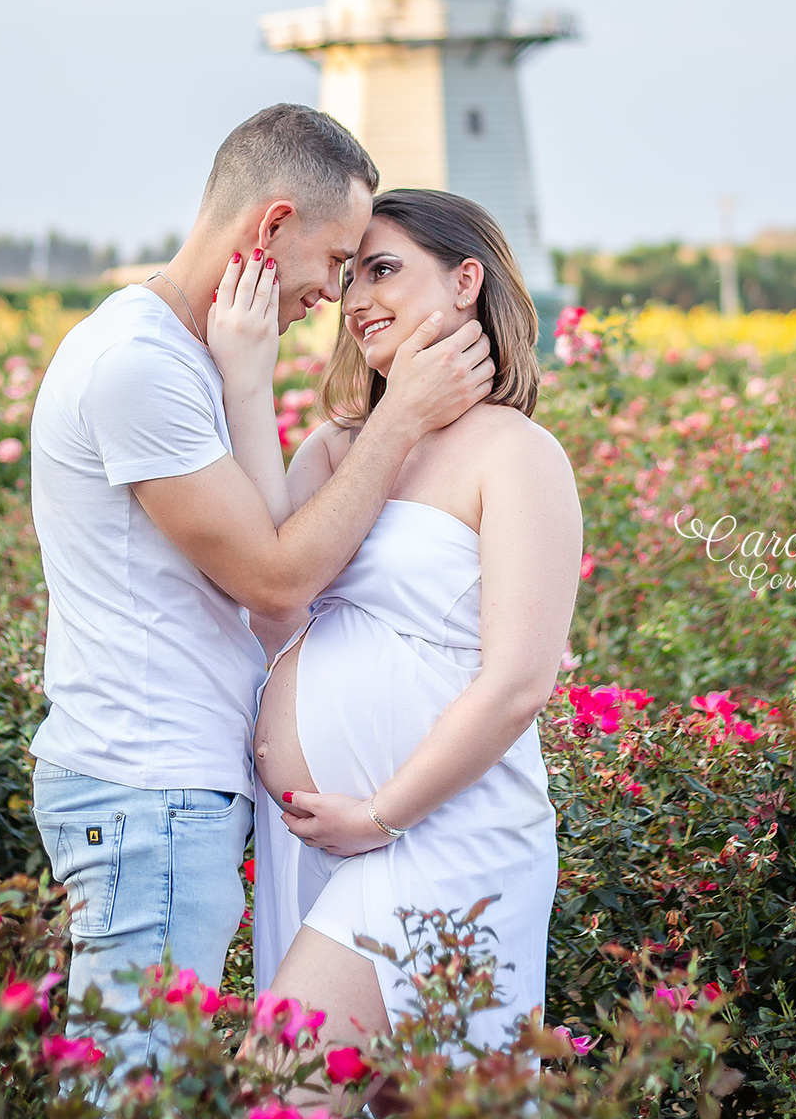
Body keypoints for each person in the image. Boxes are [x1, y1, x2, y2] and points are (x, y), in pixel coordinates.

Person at [28, 107, 494, 1074]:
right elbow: (275, 581)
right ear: (272, 225)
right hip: (148, 784)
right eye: (335, 261)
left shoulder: (182, 355)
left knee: (142, 1074)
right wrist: (401, 418)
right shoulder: (137, 368)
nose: (333, 296)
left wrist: (249, 379)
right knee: (138, 1084)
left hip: (168, 790)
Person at [207, 187, 582, 1076]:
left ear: (464, 281)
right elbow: (273, 597)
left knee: (283, 1083)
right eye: (348, 278)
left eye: (382, 270)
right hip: (320, 841)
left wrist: (382, 815)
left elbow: (519, 684)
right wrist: (247, 378)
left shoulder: (515, 453)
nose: (356, 299)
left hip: (437, 836)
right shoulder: (339, 449)